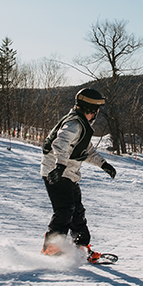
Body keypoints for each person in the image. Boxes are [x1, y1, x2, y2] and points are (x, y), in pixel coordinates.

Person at [40, 88, 116, 261]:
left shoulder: (82, 124)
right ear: (91, 109)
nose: (98, 113)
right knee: (65, 209)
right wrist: (59, 166)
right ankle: (51, 247)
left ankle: (81, 247)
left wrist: (104, 164)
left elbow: (86, 149)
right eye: (97, 109)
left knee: (77, 212)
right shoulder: (73, 124)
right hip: (56, 172)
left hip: (69, 173)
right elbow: (60, 142)